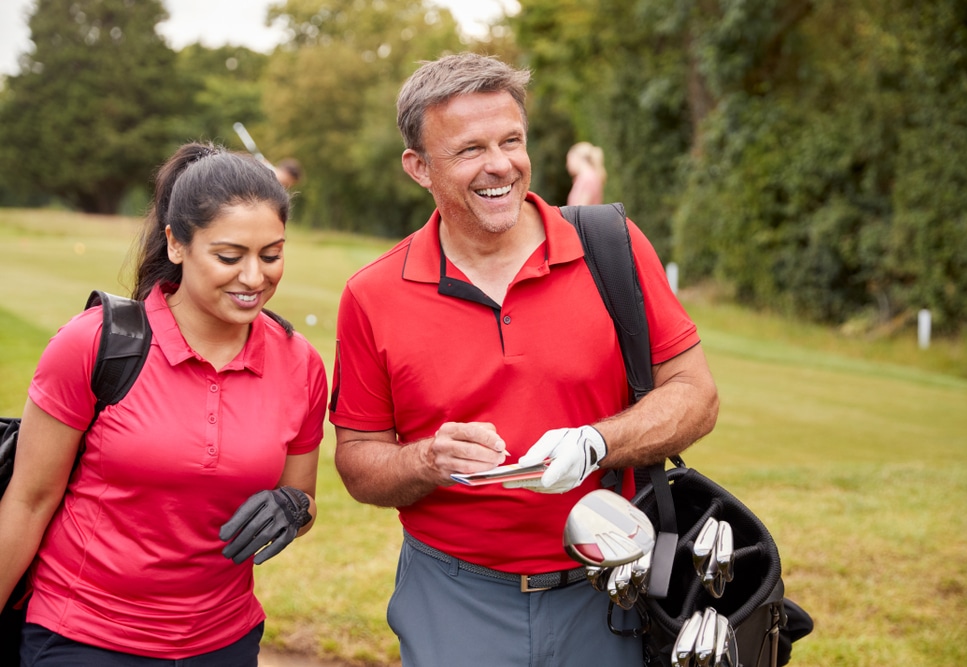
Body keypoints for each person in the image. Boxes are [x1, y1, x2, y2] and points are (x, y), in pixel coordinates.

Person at [330, 53, 719, 666]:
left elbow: (695, 396)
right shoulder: (372, 294)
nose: (500, 165)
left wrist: (597, 441)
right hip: (452, 597)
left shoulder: (611, 246)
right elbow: (357, 463)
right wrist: (428, 459)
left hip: (612, 587)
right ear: (418, 167)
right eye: (469, 150)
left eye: (512, 140)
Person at [0, 142, 328, 665]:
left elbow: (302, 498)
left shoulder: (301, 364)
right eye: (229, 256)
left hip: (223, 641)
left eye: (271, 255)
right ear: (177, 244)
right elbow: (28, 501)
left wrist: (294, 508)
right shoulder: (92, 344)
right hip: (82, 636)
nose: (253, 278)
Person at [565, 141, 606, 206]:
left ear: (577, 157)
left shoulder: (588, 179)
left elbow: (581, 210)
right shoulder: (585, 178)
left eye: (569, 159)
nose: (567, 165)